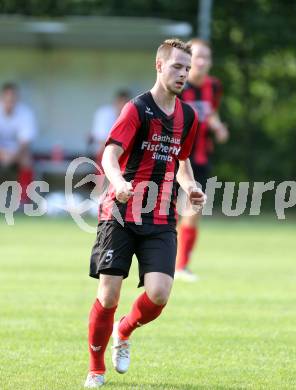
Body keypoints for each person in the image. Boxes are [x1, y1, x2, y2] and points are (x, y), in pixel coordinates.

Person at [84, 38, 206, 388]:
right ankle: (96, 369)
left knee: (159, 294)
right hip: (120, 213)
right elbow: (109, 154)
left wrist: (189, 187)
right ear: (159, 65)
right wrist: (118, 181)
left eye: (187, 67)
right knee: (108, 295)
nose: (184, 73)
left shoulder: (188, 116)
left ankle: (125, 330)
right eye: (177, 66)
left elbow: (181, 162)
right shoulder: (137, 109)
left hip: (160, 216)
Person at [175, 38, 229, 282]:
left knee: (193, 211)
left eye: (206, 57)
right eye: (197, 56)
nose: (201, 62)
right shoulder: (176, 85)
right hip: (174, 159)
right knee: (169, 214)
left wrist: (218, 127)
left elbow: (212, 111)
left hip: (200, 158)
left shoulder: (214, 87)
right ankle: (162, 262)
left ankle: (182, 266)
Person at [0, 82, 37, 204]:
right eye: (7, 99)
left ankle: (23, 199)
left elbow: (25, 141)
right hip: (1, 151)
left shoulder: (25, 112)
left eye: (13, 99)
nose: (10, 102)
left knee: (26, 158)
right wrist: (3, 153)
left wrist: (13, 156)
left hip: (17, 152)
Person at [90, 90, 131, 162]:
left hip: (119, 155)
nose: (124, 106)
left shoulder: (128, 116)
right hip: (103, 154)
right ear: (116, 102)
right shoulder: (105, 113)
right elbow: (103, 142)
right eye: (122, 103)